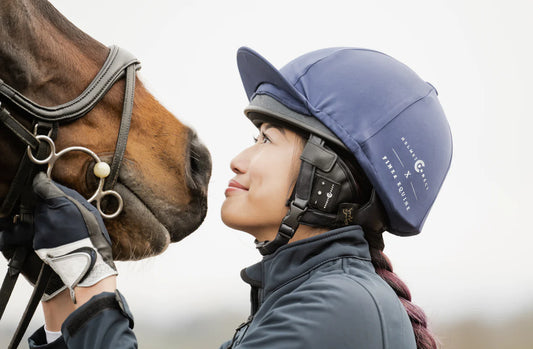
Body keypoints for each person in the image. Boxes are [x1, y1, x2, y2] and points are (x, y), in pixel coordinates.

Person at [0, 46, 452, 348]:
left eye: (267, 140)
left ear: (330, 179)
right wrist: (62, 291)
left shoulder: (339, 308)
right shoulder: (306, 301)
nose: (237, 160)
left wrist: (91, 275)